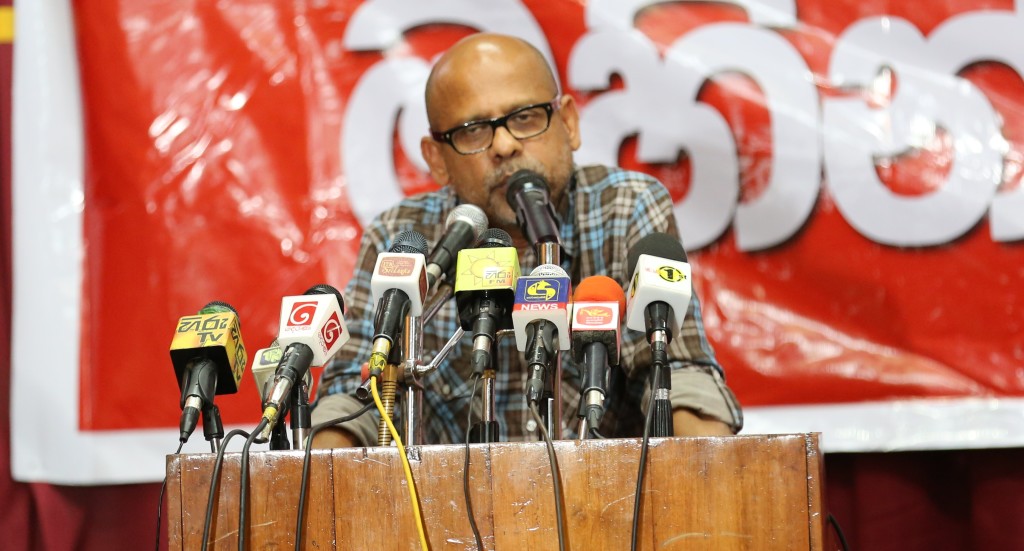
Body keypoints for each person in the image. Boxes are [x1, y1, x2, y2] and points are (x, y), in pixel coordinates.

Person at [311, 33, 742, 447]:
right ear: (437, 159)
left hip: (599, 506)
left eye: (525, 118)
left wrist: (708, 474)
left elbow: (679, 373)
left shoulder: (624, 207)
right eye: (474, 130)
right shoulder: (404, 239)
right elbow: (352, 396)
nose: (504, 145)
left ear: (569, 123)